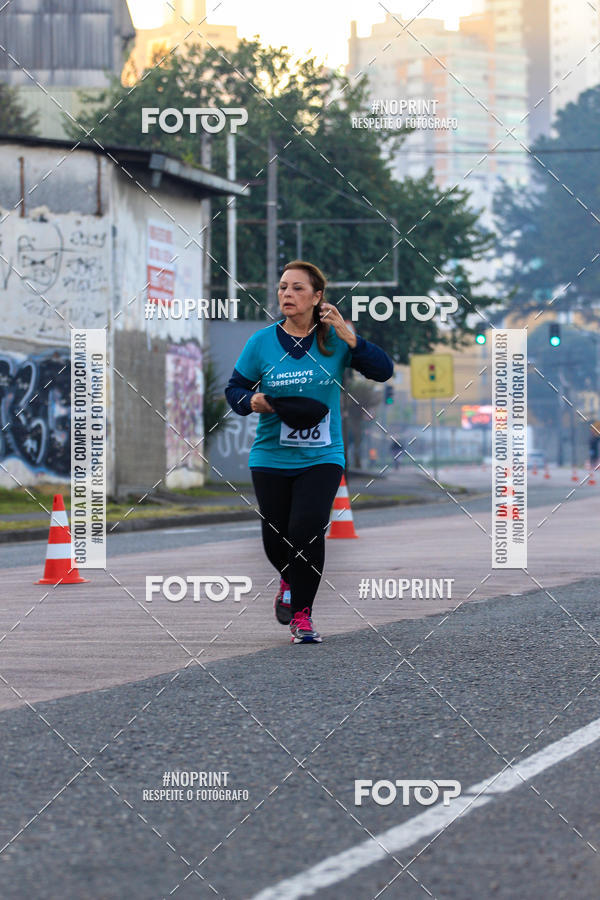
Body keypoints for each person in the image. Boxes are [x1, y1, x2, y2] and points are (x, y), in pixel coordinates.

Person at [225, 260, 393, 643]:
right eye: (283, 287)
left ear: (318, 297)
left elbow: (382, 371)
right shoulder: (262, 342)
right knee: (275, 538)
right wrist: (257, 401)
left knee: (307, 529)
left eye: (298, 288)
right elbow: (234, 391)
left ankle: (302, 615)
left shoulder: (332, 340)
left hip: (323, 455)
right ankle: (289, 578)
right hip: (270, 455)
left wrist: (351, 337)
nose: (287, 294)